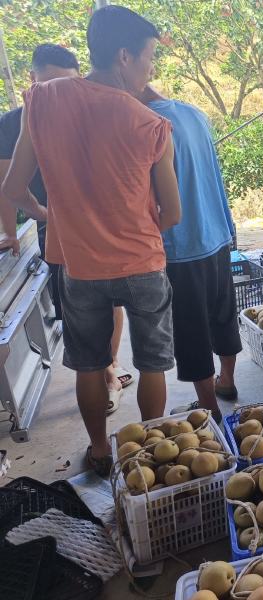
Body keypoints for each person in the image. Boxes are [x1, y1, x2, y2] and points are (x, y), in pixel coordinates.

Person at [1, 5, 181, 475]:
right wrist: (136, 233)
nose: (149, 71)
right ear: (124, 56)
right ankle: (148, 455)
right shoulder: (151, 125)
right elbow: (173, 212)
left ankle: (100, 451)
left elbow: (14, 191)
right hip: (142, 263)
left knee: (88, 364)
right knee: (152, 364)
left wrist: (53, 217)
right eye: (147, 60)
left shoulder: (44, 100)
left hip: (79, 267)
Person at [0, 44, 135, 412]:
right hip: (59, 233)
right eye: (50, 85)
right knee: (78, 308)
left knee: (111, 300)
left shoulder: (91, 113)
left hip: (101, 228)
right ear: (33, 81)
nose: (60, 95)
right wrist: (29, 221)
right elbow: (8, 186)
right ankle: (100, 370)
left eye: (68, 85)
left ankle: (110, 363)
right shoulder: (14, 122)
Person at [135, 85, 241, 423]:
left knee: (191, 329)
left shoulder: (145, 124)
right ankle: (228, 381)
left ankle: (209, 407)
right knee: (222, 313)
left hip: (182, 244)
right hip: (217, 232)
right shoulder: (193, 113)